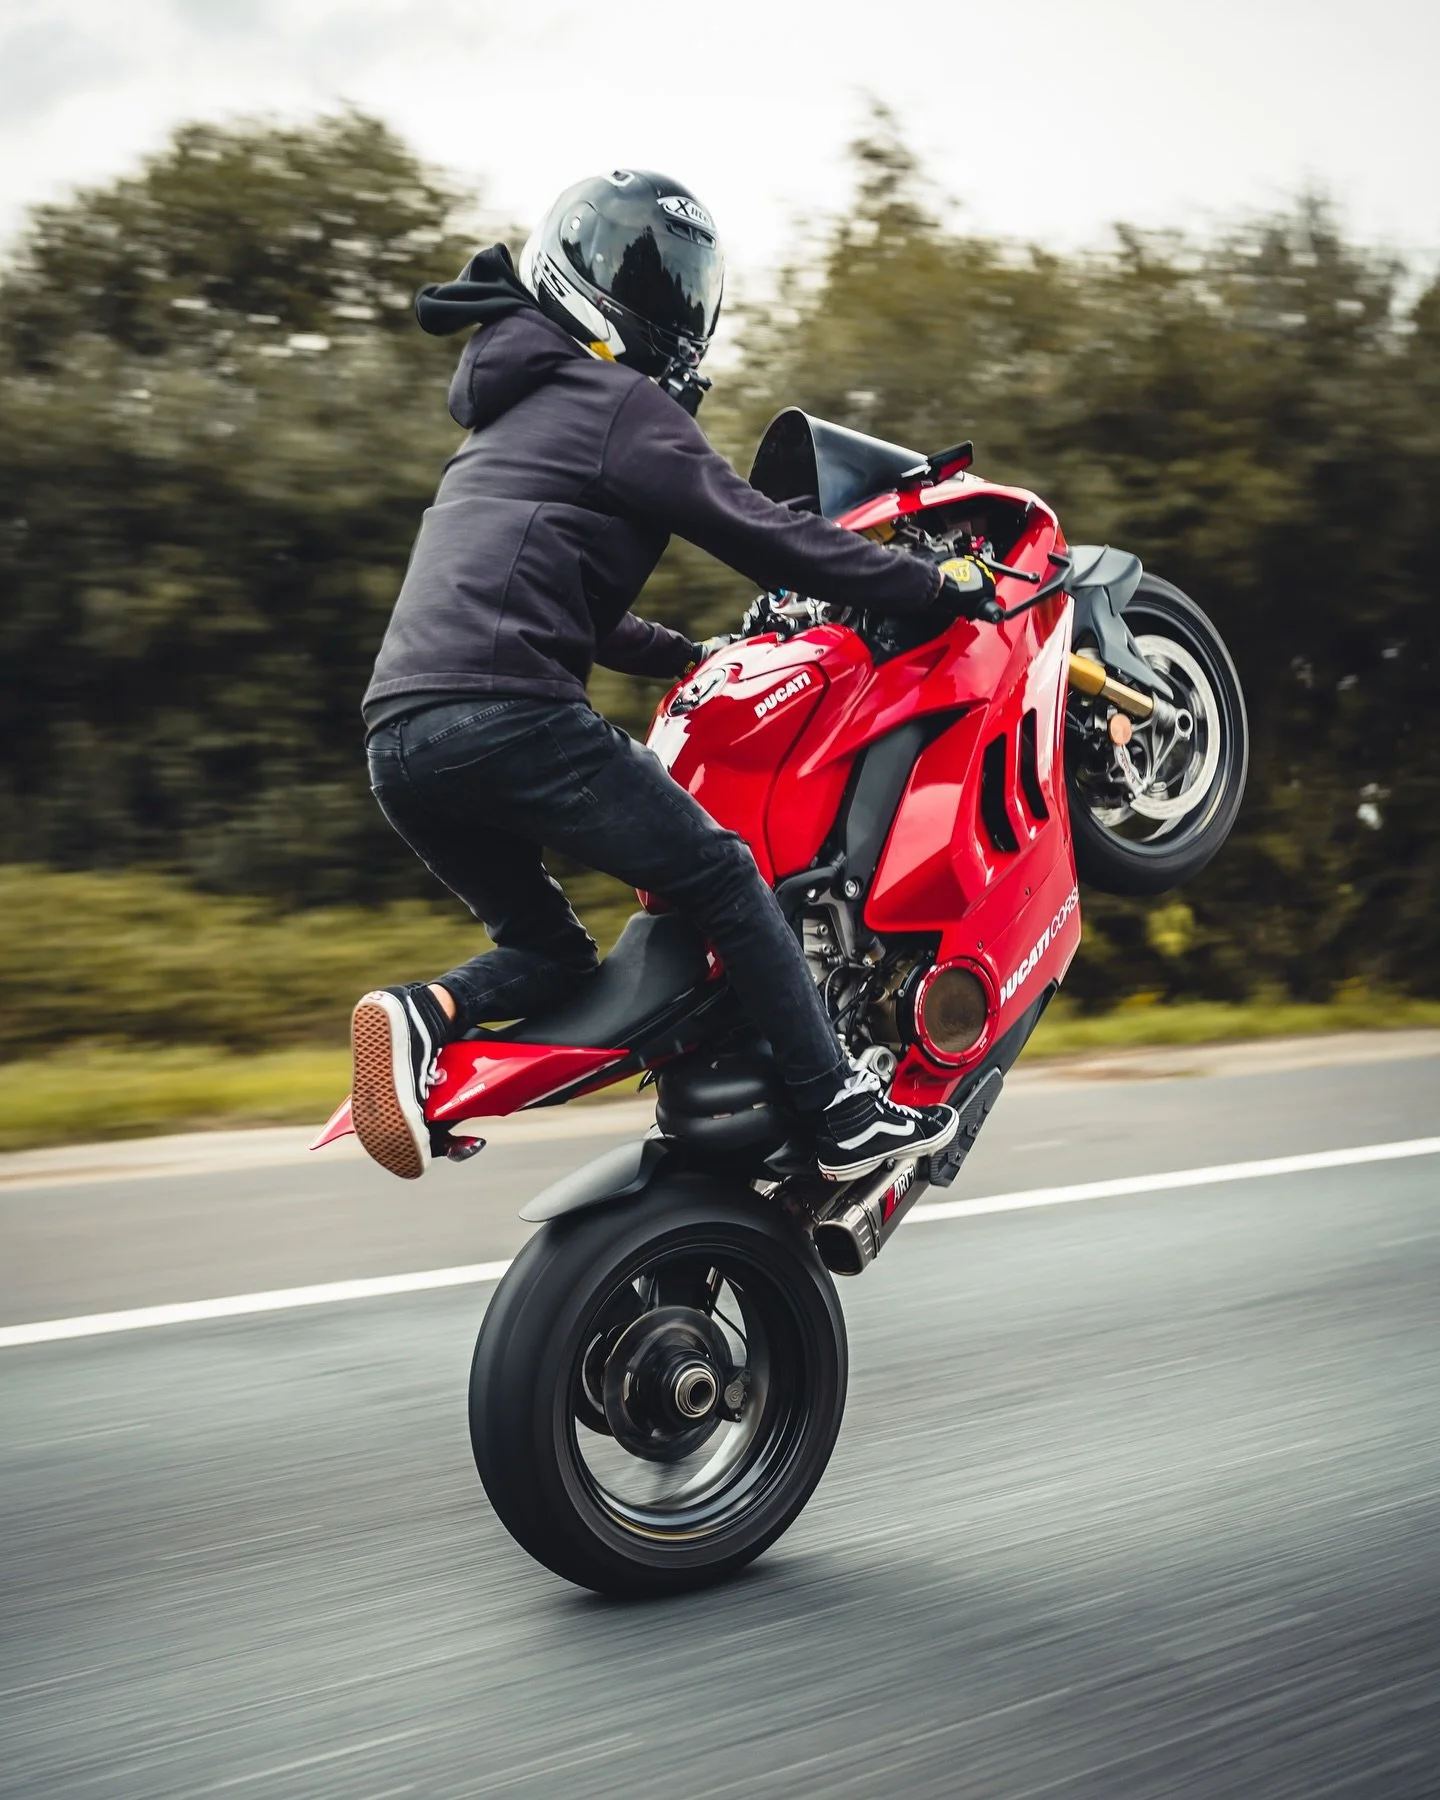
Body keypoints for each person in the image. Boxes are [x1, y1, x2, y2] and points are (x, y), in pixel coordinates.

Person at [353, 169, 965, 1183]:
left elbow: (580, 616)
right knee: (721, 875)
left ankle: (424, 1016)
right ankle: (841, 1111)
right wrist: (926, 587)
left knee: (550, 952)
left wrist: (687, 655)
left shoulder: (508, 415)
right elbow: (767, 535)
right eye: (663, 280)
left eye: (688, 281)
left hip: (400, 740)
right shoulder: (618, 403)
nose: (677, 303)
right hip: (509, 716)